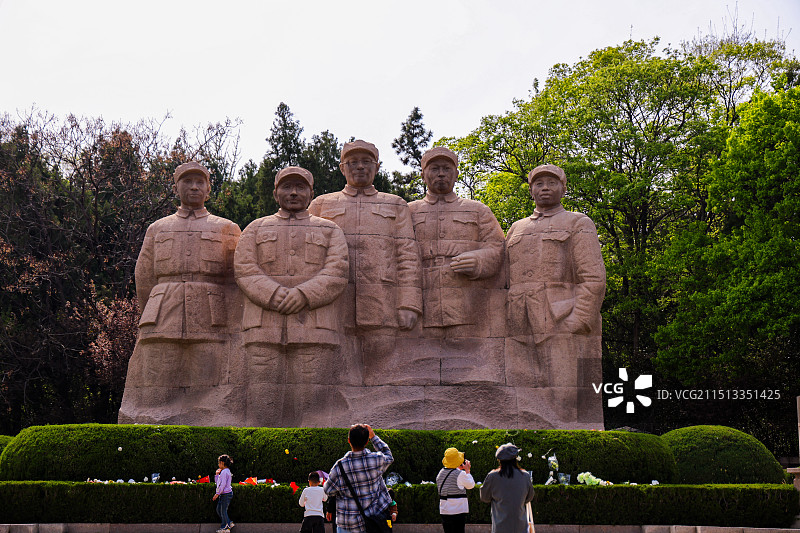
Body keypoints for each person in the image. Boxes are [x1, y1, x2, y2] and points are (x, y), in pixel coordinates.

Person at [119, 161, 242, 425]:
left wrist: (232, 324)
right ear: (176, 187)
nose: (194, 187)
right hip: (163, 313)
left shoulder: (227, 228)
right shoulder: (158, 228)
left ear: (209, 189)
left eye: (200, 182)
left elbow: (235, 280)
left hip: (211, 317)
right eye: (188, 182)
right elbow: (144, 276)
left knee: (207, 388)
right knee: (155, 387)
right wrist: (151, 311)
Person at [234, 166, 349, 426]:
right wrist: (273, 294)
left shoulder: (330, 230)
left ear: (311, 194)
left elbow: (337, 271)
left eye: (301, 187)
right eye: (287, 187)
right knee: (262, 404)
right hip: (263, 326)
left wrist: (304, 294)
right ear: (275, 193)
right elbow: (244, 268)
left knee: (313, 407)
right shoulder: (255, 228)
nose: (294, 192)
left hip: (315, 326)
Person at [505, 163, 606, 426]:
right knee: (522, 400)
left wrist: (578, 320)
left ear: (563, 188)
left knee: (563, 400)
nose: (545, 188)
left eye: (551, 183)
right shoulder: (516, 228)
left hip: (559, 320)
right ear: (531, 191)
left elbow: (593, 278)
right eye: (539, 184)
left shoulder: (578, 222)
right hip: (518, 322)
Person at [308, 140, 422, 334]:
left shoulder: (395, 205)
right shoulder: (321, 204)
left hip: (381, 299)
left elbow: (407, 256)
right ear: (342, 168)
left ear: (376, 167)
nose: (360, 166)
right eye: (352, 162)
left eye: (367, 161)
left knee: (383, 358)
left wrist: (409, 304)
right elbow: (308, 254)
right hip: (332, 300)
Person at [408, 147, 505, 330]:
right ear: (423, 174)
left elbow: (497, 247)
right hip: (422, 298)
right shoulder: (408, 211)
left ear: (456, 174)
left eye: (447, 169)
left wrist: (479, 261)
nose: (441, 174)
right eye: (435, 169)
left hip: (467, 299)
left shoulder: (478, 210)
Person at [324, 423, 394, 533]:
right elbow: (389, 456)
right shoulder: (376, 460)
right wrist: (374, 437)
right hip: (371, 522)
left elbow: (328, 490)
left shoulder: (340, 466)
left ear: (349, 441)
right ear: (366, 442)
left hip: (347, 524)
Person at [479, 443, 535, 533]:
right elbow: (529, 497)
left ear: (499, 460)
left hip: (500, 526)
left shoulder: (492, 476)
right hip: (520, 526)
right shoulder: (525, 475)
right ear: (515, 458)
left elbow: (484, 498)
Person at [436, 447, 475, 533]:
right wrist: (467, 471)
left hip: (444, 510)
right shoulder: (460, 474)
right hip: (458, 511)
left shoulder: (440, 473)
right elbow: (471, 485)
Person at [213, 454, 235, 532]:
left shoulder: (225, 472)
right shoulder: (224, 472)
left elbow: (222, 485)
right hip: (224, 494)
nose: (218, 465)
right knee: (219, 510)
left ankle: (225, 527)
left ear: (222, 463)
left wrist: (217, 494)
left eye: (219, 463)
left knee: (222, 511)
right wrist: (217, 475)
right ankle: (229, 522)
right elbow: (218, 483)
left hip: (225, 494)